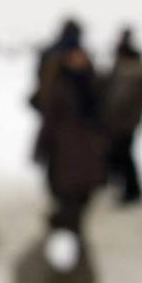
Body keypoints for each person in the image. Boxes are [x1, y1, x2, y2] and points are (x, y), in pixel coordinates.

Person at [32, 18, 108, 233]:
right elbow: (49, 115)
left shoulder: (90, 81)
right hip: (65, 155)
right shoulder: (59, 82)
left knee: (77, 206)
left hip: (84, 154)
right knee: (67, 206)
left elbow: (101, 115)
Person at [99, 28, 142, 207]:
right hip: (124, 119)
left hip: (124, 120)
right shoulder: (130, 68)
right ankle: (129, 188)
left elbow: (124, 99)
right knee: (121, 154)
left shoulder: (131, 70)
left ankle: (132, 190)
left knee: (124, 154)